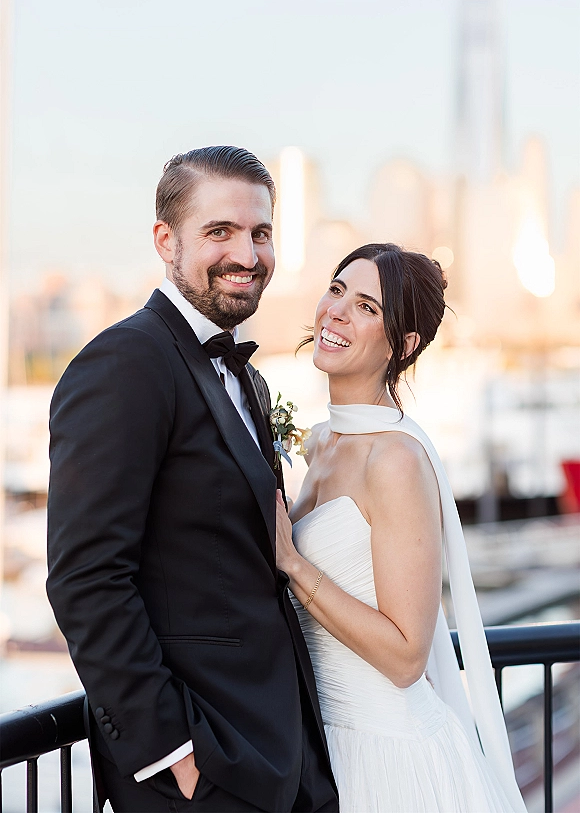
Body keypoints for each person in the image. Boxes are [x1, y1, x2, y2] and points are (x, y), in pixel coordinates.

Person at [46, 146, 338, 813]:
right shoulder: (125, 364)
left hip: (281, 757)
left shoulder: (245, 377)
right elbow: (85, 579)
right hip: (206, 773)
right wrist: (176, 753)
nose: (248, 253)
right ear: (166, 240)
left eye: (260, 233)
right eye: (221, 232)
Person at [275, 243, 527, 813]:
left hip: (389, 757)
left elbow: (407, 656)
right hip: (323, 749)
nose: (336, 312)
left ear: (403, 345)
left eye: (367, 307)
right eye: (337, 290)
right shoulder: (321, 443)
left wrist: (292, 562)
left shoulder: (394, 461)